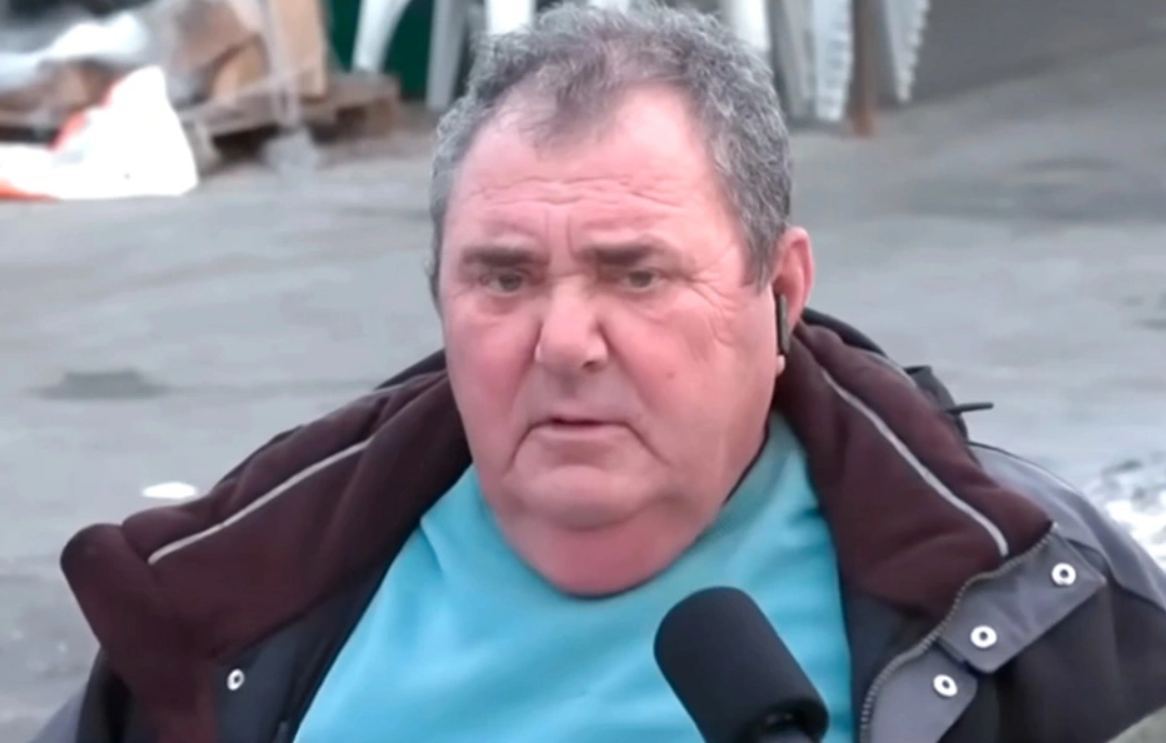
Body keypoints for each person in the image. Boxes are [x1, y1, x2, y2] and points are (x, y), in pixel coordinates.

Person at [32, 4, 1166, 743]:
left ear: (779, 290)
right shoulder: (237, 584)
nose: (565, 339)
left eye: (636, 274)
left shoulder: (1028, 596)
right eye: (505, 277)